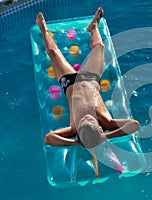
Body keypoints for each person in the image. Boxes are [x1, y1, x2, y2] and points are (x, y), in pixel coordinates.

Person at [36, 7, 140, 148]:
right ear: (100, 128)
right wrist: (106, 137)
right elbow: (134, 125)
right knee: (99, 47)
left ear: (78, 131)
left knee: (53, 53)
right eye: (90, 120)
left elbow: (49, 138)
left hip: (70, 82)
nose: (86, 118)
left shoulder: (74, 128)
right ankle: (94, 26)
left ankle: (43, 30)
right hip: (90, 78)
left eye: (84, 122)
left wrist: (77, 143)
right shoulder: (106, 121)